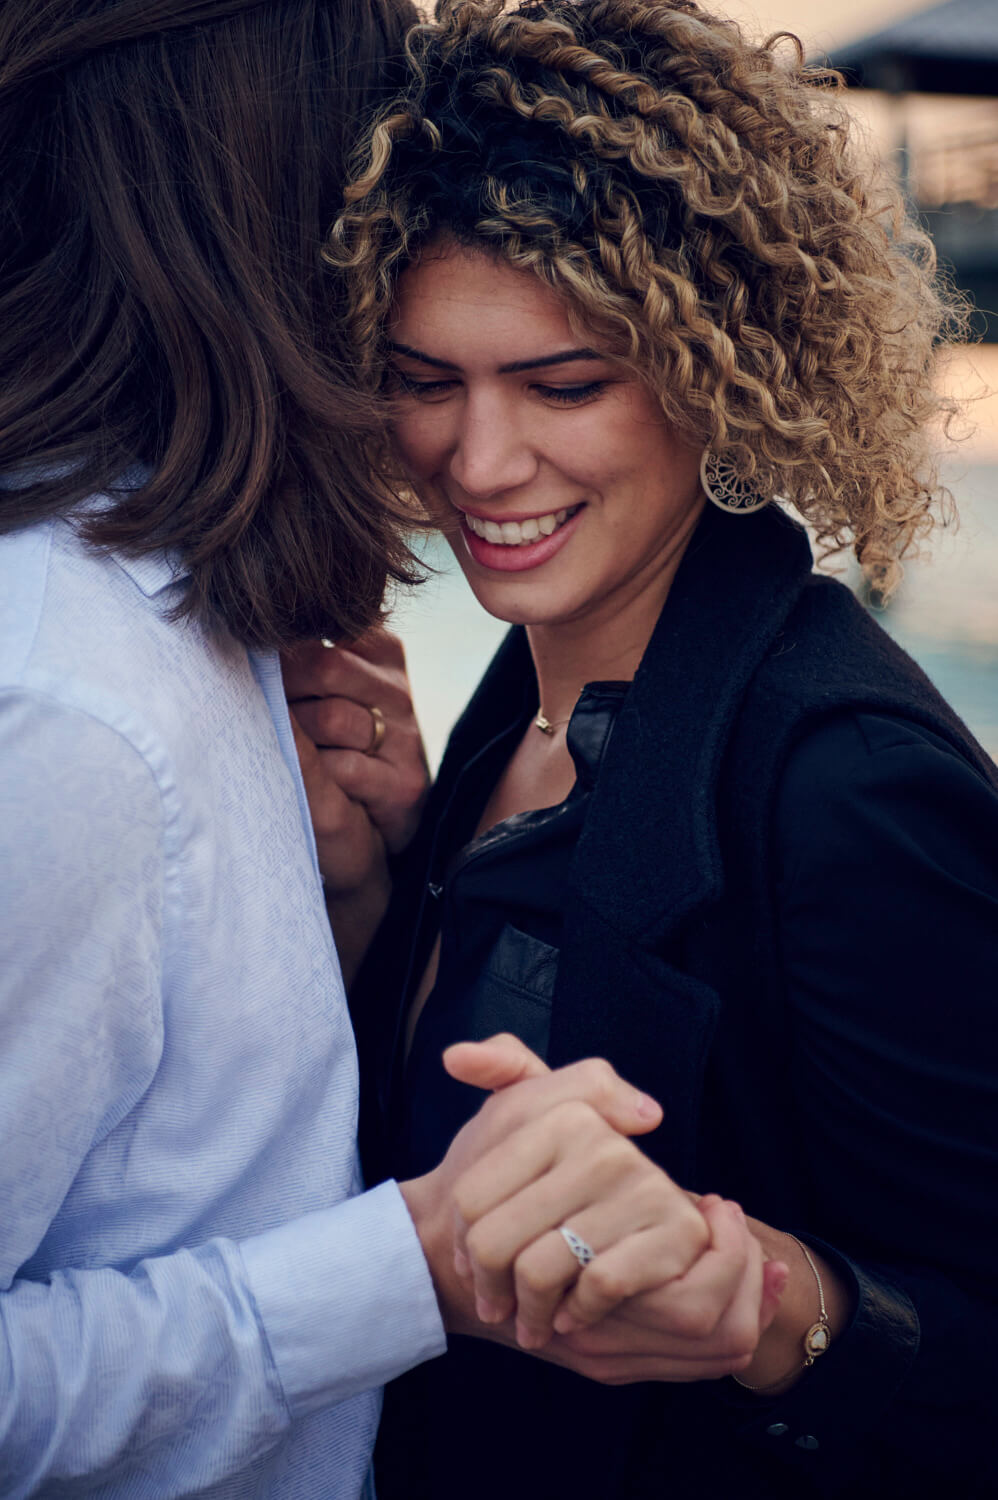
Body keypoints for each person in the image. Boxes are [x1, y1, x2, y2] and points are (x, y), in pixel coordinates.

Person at [0, 2, 764, 1495]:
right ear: (276, 176)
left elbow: (186, 1149)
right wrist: (412, 1262)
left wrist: (363, 903)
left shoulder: (203, 612)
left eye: (561, 380)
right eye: (368, 126)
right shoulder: (72, 704)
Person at [291, 1, 998, 1495]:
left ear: (718, 367)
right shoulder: (519, 690)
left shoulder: (848, 779)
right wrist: (379, 897)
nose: (477, 466)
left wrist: (764, 1305)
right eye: (425, 382)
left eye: (562, 386)